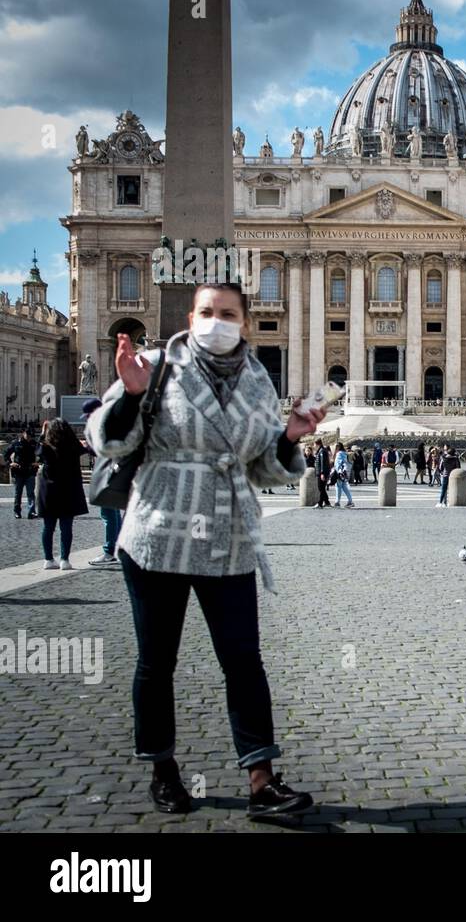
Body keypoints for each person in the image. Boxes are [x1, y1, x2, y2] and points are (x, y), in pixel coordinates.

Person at [85, 279, 323, 818]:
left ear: (243, 319)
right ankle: (163, 770)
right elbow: (107, 440)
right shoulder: (154, 364)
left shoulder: (259, 381)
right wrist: (130, 394)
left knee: (244, 662)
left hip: (227, 534)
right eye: (207, 311)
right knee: (156, 662)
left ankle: (262, 780)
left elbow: (263, 468)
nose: (217, 320)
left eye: (228, 313)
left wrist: (289, 437)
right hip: (159, 533)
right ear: (190, 317)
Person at [35, 418, 90, 570]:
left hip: (49, 492)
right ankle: (64, 559)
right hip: (68, 490)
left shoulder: (45, 446)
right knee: (66, 527)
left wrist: (42, 433)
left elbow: (37, 450)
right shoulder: (73, 446)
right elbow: (86, 448)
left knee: (48, 527)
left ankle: (48, 559)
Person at [81, 398, 122, 566]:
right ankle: (118, 548)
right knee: (114, 514)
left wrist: (87, 447)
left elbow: (102, 449)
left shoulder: (103, 427)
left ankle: (109, 551)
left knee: (108, 514)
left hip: (108, 474)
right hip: (114, 474)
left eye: (89, 415)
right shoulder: (113, 423)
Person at [5, 427, 38, 519]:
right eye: (28, 435)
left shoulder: (34, 444)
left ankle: (31, 512)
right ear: (23, 433)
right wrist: (11, 463)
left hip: (30, 471)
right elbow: (6, 453)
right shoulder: (16, 443)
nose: (29, 438)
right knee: (18, 493)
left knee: (31, 493)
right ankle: (17, 511)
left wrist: (38, 462)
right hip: (18, 472)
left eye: (31, 436)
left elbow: (43, 453)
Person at [333, 443, 355, 508]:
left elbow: (338, 464)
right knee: (344, 487)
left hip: (339, 472)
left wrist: (337, 471)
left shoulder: (339, 454)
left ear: (338, 447)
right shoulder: (344, 453)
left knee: (338, 486)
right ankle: (350, 501)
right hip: (344, 472)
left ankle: (337, 502)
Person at [314, 439, 332, 508]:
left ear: (317, 444)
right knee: (322, 488)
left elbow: (322, 463)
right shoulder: (321, 450)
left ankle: (320, 503)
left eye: (314, 444)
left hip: (322, 472)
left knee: (320, 488)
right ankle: (327, 502)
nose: (314, 446)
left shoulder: (322, 451)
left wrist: (322, 473)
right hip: (321, 472)